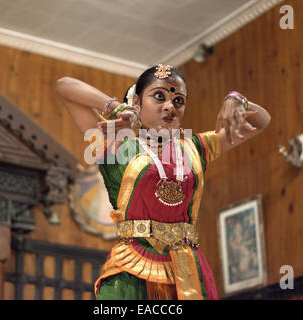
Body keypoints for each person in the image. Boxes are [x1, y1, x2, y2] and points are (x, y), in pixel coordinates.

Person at [55, 65, 271, 300]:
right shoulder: (116, 143)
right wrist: (117, 107)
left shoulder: (197, 148)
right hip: (131, 269)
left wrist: (236, 99)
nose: (170, 106)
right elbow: (65, 87)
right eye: (159, 96)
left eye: (179, 100)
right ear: (138, 101)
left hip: (187, 269)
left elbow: (261, 121)